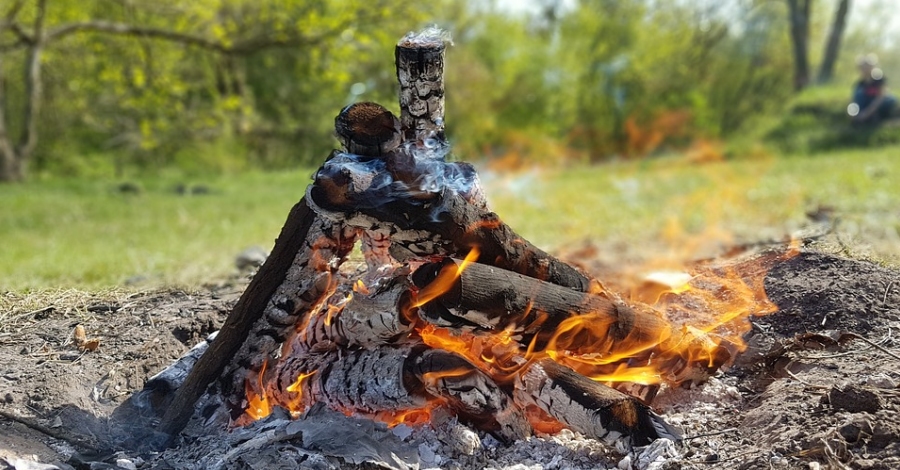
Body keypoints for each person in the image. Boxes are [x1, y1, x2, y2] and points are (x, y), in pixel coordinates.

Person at [849, 54, 897, 125]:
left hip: (880, 105)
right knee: (859, 95)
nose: (864, 69)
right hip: (866, 105)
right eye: (862, 67)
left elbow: (880, 98)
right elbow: (853, 101)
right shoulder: (859, 84)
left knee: (889, 100)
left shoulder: (880, 81)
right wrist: (853, 114)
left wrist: (866, 114)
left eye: (867, 66)